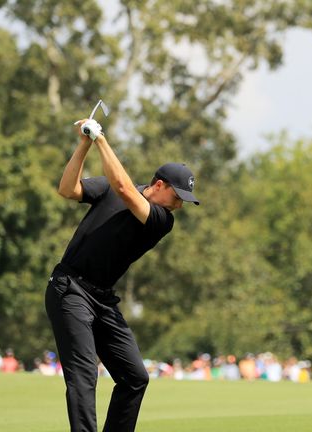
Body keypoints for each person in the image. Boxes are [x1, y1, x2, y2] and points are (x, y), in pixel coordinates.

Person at [45, 118, 199, 432]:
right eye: (178, 195)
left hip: (101, 299)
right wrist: (84, 144)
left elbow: (126, 190)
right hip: (69, 288)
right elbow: (67, 189)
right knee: (84, 374)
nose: (180, 204)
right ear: (159, 186)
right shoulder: (109, 187)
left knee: (135, 377)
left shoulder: (161, 219)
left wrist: (101, 139)